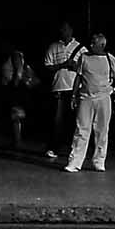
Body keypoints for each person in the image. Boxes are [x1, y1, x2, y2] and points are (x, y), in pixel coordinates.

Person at [65, 32, 115, 173]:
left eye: (94, 43)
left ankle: (99, 161)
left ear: (102, 45)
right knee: (81, 129)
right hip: (86, 98)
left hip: (103, 99)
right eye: (91, 42)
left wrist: (114, 90)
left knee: (102, 131)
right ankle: (75, 162)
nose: (91, 45)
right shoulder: (84, 57)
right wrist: (74, 95)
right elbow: (79, 77)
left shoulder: (109, 58)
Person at [42, 21, 85, 160]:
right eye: (62, 29)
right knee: (57, 120)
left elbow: (86, 68)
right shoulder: (53, 47)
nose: (64, 32)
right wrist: (63, 65)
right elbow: (47, 66)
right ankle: (53, 148)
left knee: (76, 120)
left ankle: (73, 149)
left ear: (71, 30)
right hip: (59, 87)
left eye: (67, 29)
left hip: (75, 88)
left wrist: (75, 66)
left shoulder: (81, 48)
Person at [0, 49, 41, 150]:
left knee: (16, 116)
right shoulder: (16, 57)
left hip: (17, 90)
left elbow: (18, 72)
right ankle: (17, 141)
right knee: (16, 116)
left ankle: (17, 141)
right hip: (18, 89)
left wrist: (16, 85)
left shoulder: (14, 57)